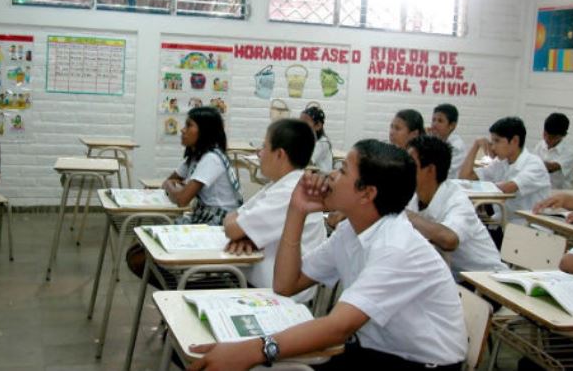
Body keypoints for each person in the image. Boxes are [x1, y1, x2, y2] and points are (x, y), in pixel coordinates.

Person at [188, 140, 466, 371]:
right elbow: (286, 284)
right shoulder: (351, 230)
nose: (331, 175)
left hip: (420, 363)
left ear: (367, 194)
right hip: (375, 350)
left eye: (343, 171)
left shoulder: (396, 249)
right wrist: (297, 210)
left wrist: (253, 350)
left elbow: (337, 328)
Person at [127, 107, 242, 280]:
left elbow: (181, 199)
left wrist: (170, 186)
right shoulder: (195, 156)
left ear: (204, 131)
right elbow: (172, 181)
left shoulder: (212, 158)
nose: (182, 130)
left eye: (189, 125)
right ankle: (180, 282)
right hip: (202, 216)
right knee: (138, 251)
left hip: (219, 223)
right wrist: (171, 185)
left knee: (139, 257)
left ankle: (185, 284)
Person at [223, 119, 326, 302]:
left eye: (264, 146)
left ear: (279, 154)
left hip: (276, 297)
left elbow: (232, 227)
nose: (259, 153)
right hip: (260, 285)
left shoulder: (289, 192)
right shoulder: (279, 185)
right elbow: (231, 220)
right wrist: (245, 235)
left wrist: (243, 233)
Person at [405, 136, 508, 281]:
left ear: (430, 170)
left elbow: (449, 240)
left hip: (487, 281)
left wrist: (407, 215)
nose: (404, 169)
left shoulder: (457, 199)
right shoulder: (414, 196)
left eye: (410, 164)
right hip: (453, 276)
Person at [460, 117, 551, 224]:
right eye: (492, 141)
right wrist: (475, 146)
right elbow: (465, 177)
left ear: (515, 141)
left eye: (497, 141)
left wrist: (475, 187)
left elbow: (508, 188)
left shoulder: (534, 164)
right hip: (503, 222)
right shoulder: (501, 162)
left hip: (528, 226)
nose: (492, 147)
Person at [533, 113, 573, 189]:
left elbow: (550, 168)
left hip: (559, 192)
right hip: (539, 188)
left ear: (563, 135)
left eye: (552, 138)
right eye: (545, 134)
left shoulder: (571, 152)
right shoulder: (540, 145)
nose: (547, 139)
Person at [429, 103, 465, 178]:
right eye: (433, 120)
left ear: (452, 126)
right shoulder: (433, 139)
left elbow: (446, 172)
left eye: (440, 121)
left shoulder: (456, 146)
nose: (434, 124)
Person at [300, 106, 333, 173]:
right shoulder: (306, 140)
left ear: (318, 126)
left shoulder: (322, 143)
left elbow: (307, 162)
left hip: (322, 177)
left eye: (305, 122)